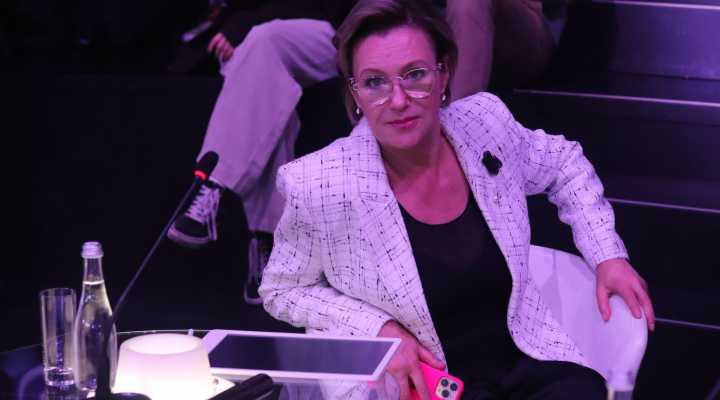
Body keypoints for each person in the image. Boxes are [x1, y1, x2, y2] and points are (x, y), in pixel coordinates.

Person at [259, 0, 655, 399]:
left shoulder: (484, 122)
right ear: (355, 93)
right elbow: (283, 290)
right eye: (375, 82)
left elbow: (564, 163)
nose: (398, 100)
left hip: (527, 362)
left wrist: (607, 254)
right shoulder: (321, 182)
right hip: (432, 387)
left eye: (415, 75)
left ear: (443, 73)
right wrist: (377, 328)